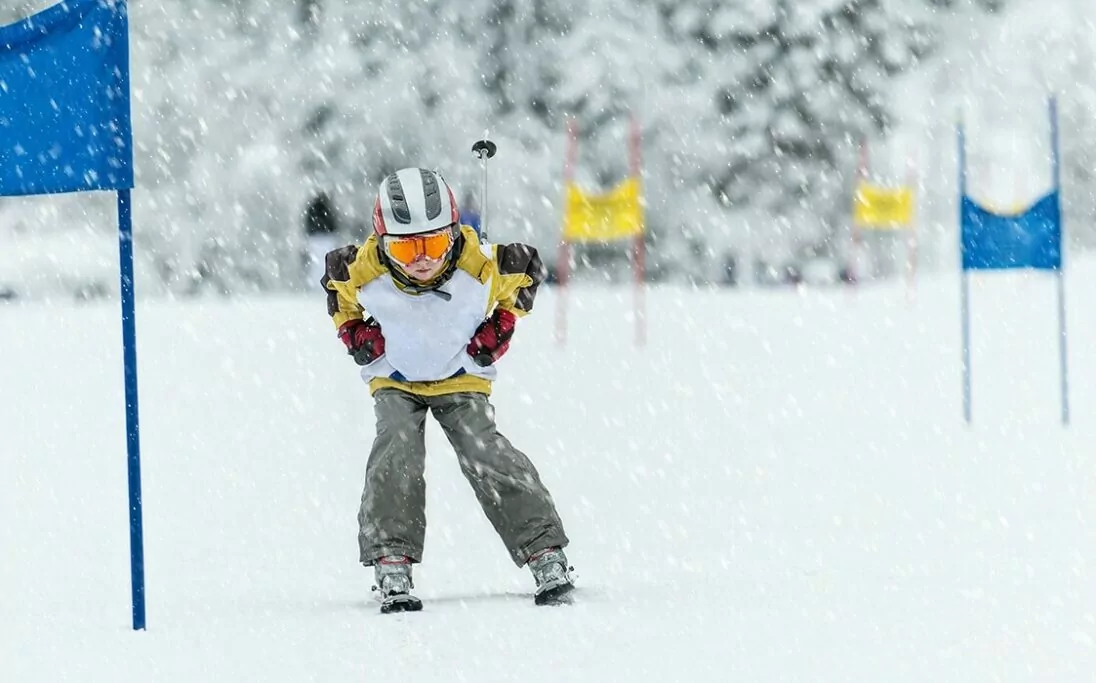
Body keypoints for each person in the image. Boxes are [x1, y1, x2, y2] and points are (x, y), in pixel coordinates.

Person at [321, 167, 573, 613]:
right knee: (396, 446)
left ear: (454, 233)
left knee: (484, 450)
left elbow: (527, 274)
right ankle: (391, 556)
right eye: (406, 247)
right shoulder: (361, 269)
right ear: (382, 241)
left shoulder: (480, 265)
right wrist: (356, 335)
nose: (422, 260)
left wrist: (501, 325)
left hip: (460, 375)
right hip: (396, 379)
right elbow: (338, 296)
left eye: (434, 244)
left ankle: (543, 548)